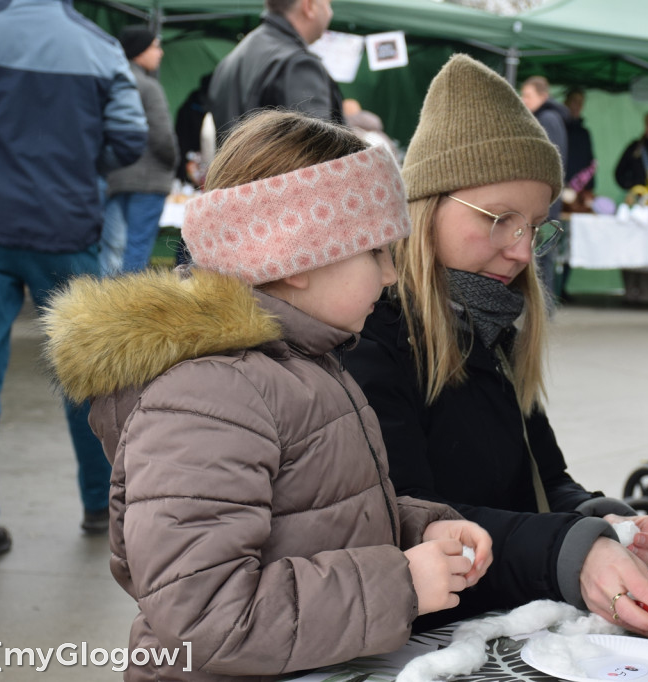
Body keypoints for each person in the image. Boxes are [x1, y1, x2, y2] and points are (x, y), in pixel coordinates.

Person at [42, 110, 492, 681]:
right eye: (377, 251)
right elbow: (207, 615)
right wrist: (400, 582)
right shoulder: (210, 394)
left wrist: (417, 529)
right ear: (295, 258)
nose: (390, 276)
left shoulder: (300, 361)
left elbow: (306, 515)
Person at [345, 54, 648, 640]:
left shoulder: (491, 328)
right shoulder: (373, 337)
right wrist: (570, 554)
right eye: (500, 219)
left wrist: (595, 519)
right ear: (426, 206)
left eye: (534, 225)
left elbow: (543, 480)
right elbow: (415, 522)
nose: (523, 252)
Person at [0, 0, 147, 556]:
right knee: (82, 377)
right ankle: (100, 505)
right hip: (67, 227)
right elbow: (129, 136)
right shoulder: (100, 48)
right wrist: (74, 158)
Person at [101, 26, 180, 275]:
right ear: (139, 51)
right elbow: (162, 136)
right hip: (148, 181)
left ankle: (103, 308)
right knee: (137, 248)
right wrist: (171, 164)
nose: (160, 52)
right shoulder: (148, 86)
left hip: (114, 178)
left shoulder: (110, 82)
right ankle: (128, 309)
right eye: (155, 46)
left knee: (111, 248)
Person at [208, 0, 344, 144]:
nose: (331, 13)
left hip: (240, 164)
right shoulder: (297, 64)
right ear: (308, 6)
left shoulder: (233, 58)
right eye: (328, 4)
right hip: (275, 166)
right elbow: (317, 151)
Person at [520, 75, 569, 299]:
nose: (523, 99)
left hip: (545, 198)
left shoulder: (547, 119)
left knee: (542, 251)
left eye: (528, 95)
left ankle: (544, 305)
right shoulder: (546, 118)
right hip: (545, 197)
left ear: (543, 96)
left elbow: (550, 161)